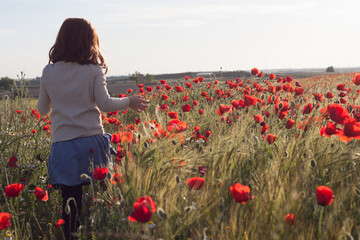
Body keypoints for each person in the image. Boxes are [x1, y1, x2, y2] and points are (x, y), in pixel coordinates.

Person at [37, 18, 148, 240]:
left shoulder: (48, 72)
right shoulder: (93, 70)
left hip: (64, 147)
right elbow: (105, 104)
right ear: (89, 41)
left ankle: (71, 236)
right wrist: (129, 100)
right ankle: (109, 231)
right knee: (105, 196)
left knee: (71, 203)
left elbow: (42, 110)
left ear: (61, 40)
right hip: (91, 143)